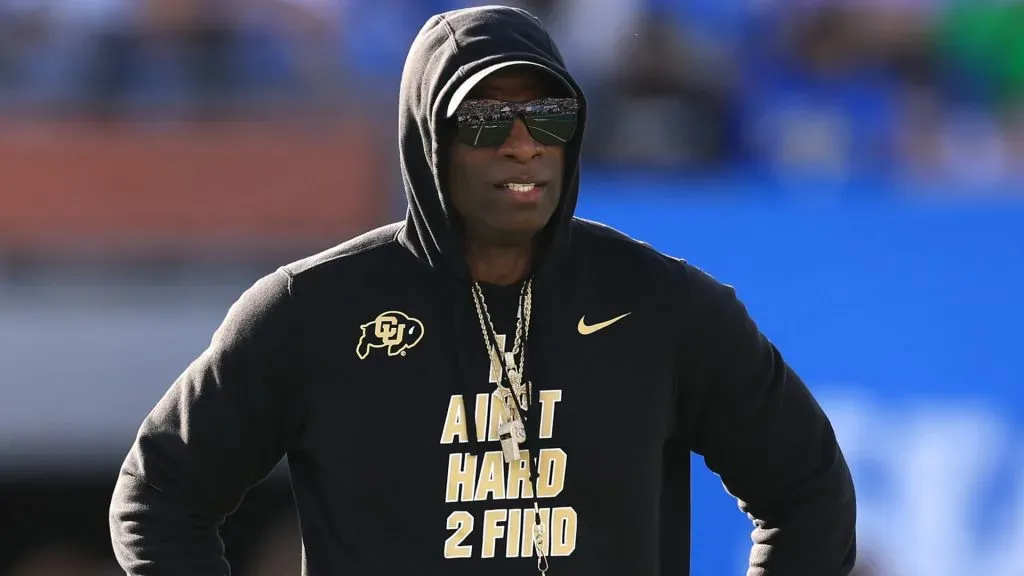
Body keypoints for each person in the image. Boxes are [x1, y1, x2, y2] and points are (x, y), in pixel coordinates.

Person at [109, 5, 857, 575]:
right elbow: (159, 498)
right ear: (427, 140)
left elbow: (809, 492)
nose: (523, 141)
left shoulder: (664, 306)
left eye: (549, 114)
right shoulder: (312, 311)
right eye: (486, 118)